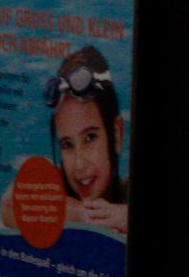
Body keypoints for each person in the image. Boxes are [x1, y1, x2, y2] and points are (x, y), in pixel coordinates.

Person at [46, 46, 130, 235]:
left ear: (116, 134)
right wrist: (84, 216)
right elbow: (9, 203)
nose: (79, 165)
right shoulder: (56, 191)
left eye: (90, 138)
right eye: (67, 144)